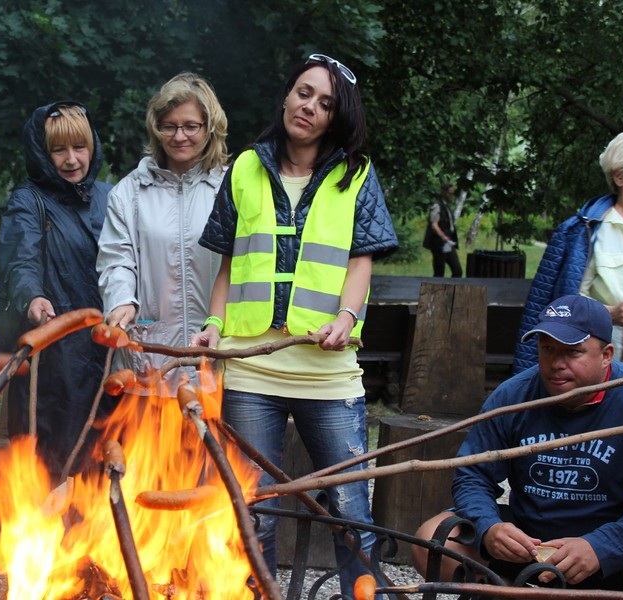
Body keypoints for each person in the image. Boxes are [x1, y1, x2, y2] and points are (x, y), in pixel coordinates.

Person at [190, 54, 398, 595]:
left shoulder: (358, 175)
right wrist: (214, 323)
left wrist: (347, 316)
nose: (309, 106)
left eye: (325, 103)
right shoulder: (243, 169)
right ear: (286, 96)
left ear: (336, 117)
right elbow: (230, 263)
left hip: (327, 371)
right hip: (252, 367)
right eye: (303, 93)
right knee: (253, 509)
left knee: (351, 509)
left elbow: (361, 260)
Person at [413, 294, 623, 592]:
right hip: (530, 543)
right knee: (431, 540)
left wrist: (601, 546)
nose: (556, 363)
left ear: (607, 355)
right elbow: (473, 476)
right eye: (547, 349)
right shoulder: (513, 396)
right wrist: (490, 528)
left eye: (572, 352)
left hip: (614, 551)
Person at [0, 101, 115, 484]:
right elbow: (20, 260)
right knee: (49, 464)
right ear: (42, 153)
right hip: (54, 359)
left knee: (106, 459)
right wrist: (32, 297)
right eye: (59, 150)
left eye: (79, 147)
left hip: (110, 350)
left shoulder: (111, 197)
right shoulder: (28, 201)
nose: (71, 159)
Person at [96, 72, 229, 393]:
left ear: (210, 128)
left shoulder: (231, 188)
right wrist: (121, 300)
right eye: (169, 126)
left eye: (190, 126)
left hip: (214, 355)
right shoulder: (130, 192)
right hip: (148, 356)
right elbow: (116, 259)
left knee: (211, 443)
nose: (179, 136)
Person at [514, 131, 623, 372]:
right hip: (613, 376)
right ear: (620, 176)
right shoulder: (582, 233)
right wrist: (611, 313)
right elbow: (560, 308)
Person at [422, 182, 462, 277]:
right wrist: (443, 236)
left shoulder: (447, 207)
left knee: (457, 271)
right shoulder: (437, 207)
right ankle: (437, 291)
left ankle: (451, 290)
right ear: (444, 193)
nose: (451, 196)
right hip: (439, 243)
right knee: (439, 271)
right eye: (450, 193)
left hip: (448, 243)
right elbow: (434, 225)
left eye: (453, 193)